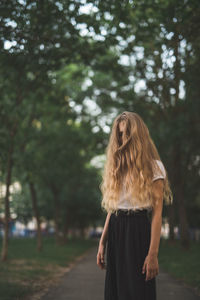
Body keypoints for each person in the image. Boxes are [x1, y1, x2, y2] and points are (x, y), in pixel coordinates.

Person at [96, 111, 173, 300]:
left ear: (138, 135)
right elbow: (113, 208)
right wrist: (102, 242)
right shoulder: (117, 167)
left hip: (138, 230)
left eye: (127, 134)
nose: (123, 138)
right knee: (116, 291)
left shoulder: (154, 167)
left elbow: (157, 215)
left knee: (138, 292)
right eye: (120, 134)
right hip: (116, 228)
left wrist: (153, 254)